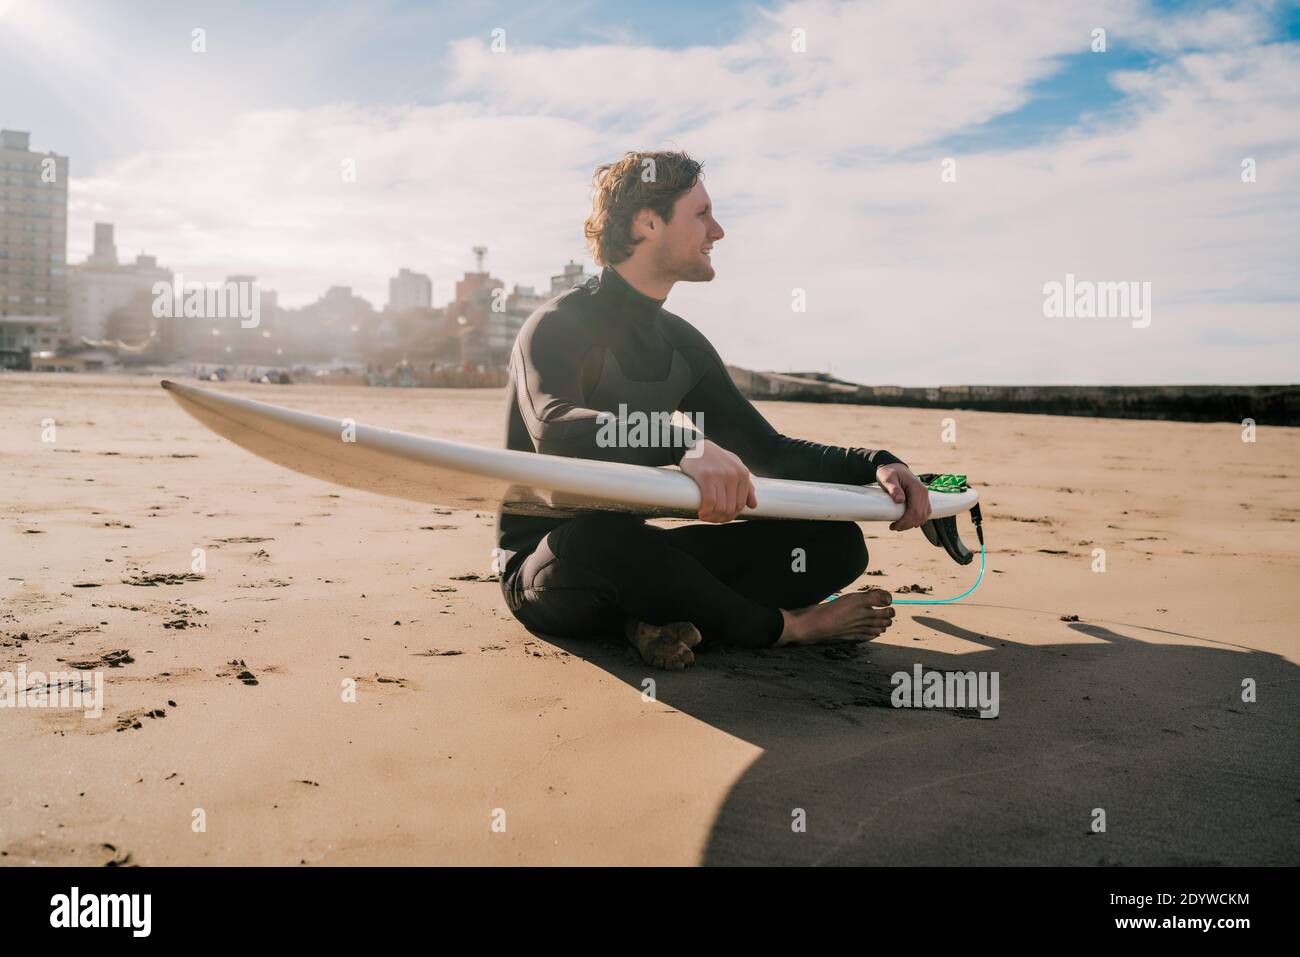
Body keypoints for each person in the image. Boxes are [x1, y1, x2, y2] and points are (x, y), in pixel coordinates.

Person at [496, 150, 932, 670]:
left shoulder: (682, 346)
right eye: (701, 214)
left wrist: (877, 463)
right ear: (648, 221)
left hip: (644, 560)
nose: (718, 231)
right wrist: (683, 444)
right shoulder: (558, 325)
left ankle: (648, 620)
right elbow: (553, 428)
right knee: (601, 539)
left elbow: (767, 450)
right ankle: (788, 627)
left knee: (835, 543)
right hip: (551, 569)